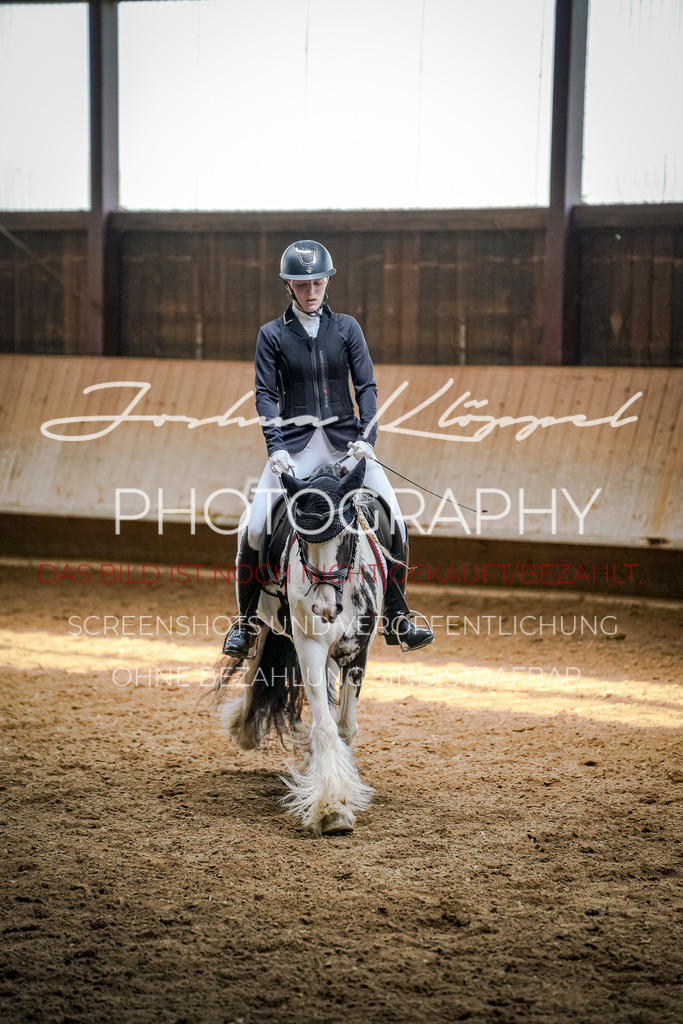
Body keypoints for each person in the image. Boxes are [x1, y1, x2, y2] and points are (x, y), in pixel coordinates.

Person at [222, 239, 435, 658]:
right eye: (303, 284)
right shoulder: (272, 335)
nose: (312, 290)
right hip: (294, 451)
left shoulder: (347, 328)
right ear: (289, 285)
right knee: (257, 525)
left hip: (346, 447)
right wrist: (276, 447)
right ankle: (246, 624)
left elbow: (367, 387)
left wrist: (366, 441)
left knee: (395, 521)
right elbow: (265, 395)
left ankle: (397, 615)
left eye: (318, 282)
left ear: (327, 281)